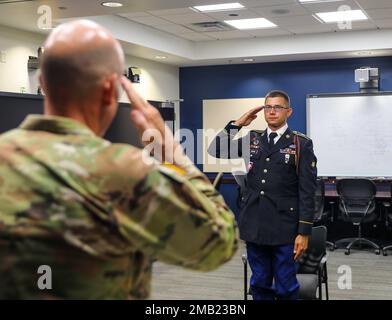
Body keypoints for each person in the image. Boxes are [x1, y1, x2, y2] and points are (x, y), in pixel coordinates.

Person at [0, 20, 238, 299]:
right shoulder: (124, 171)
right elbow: (218, 243)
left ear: (42, 83)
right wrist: (172, 150)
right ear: (111, 89)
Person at [208, 90, 317, 300]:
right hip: (254, 224)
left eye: (278, 107)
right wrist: (237, 124)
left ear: (289, 112)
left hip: (284, 227)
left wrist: (304, 232)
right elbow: (216, 149)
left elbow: (307, 190)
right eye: (268, 107)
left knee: (286, 286)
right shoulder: (252, 139)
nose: (272, 111)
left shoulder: (300, 144)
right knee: (259, 284)